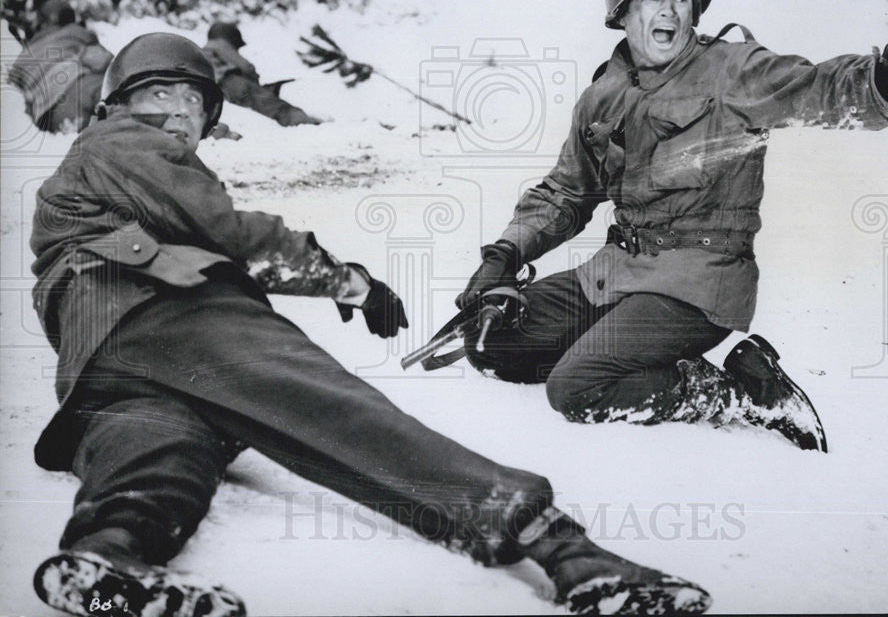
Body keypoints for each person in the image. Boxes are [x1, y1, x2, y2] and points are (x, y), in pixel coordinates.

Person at [30, 32, 712, 617]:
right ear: (115, 105)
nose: (179, 115)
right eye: (161, 96)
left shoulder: (95, 178)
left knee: (159, 450)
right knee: (339, 411)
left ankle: (108, 556)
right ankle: (563, 547)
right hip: (171, 314)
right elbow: (229, 231)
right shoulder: (119, 143)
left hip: (100, 358)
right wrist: (348, 281)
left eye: (193, 104)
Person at [458, 0, 888, 452]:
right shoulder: (602, 95)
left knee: (576, 388)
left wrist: (887, 82)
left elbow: (816, 87)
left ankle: (738, 392)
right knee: (491, 340)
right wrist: (505, 254)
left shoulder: (732, 70)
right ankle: (624, 347)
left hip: (699, 282)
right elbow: (566, 190)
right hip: (620, 271)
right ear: (623, 13)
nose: (671, 10)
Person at [7, 0, 113, 133]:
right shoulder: (76, 32)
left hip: (53, 116)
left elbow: (14, 99)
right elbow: (105, 60)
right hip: (86, 87)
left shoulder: (22, 59)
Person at [202, 21, 322, 126]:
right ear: (231, 37)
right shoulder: (221, 45)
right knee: (272, 105)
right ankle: (303, 122)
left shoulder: (203, 51)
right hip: (231, 82)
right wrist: (257, 85)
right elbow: (247, 67)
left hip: (213, 90)